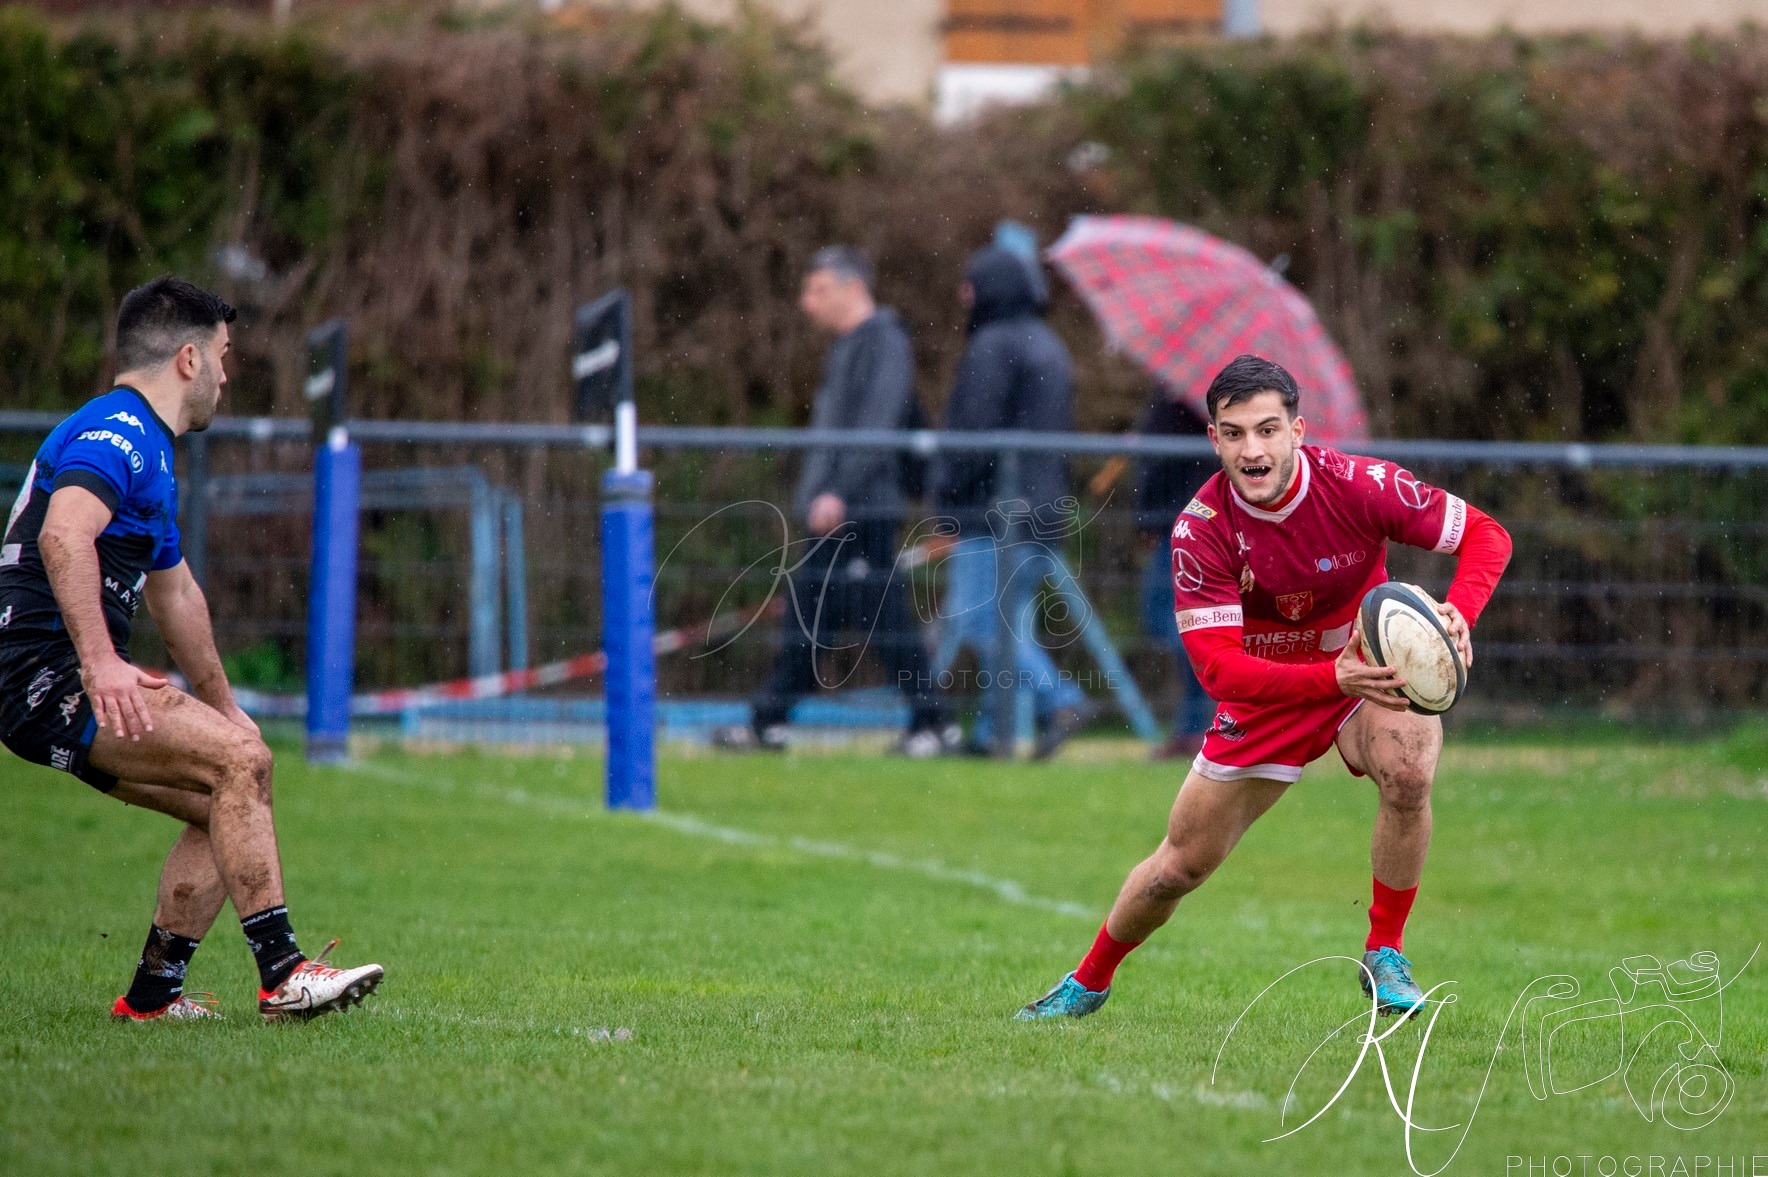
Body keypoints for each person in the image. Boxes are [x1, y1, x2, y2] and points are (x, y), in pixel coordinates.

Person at [1015, 354, 1511, 1021]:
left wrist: (1459, 613)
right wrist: (1324, 675)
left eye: (1268, 429)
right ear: (1214, 439)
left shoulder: (1359, 483)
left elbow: (1486, 534)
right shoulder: (1202, 529)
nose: (1254, 448)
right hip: (1267, 694)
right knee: (1178, 868)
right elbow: (1218, 670)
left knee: (1411, 770)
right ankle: (1088, 980)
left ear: (1298, 431)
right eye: (1236, 432)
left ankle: (1385, 951)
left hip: (1368, 672)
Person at [0, 276, 383, 1022]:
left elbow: (176, 595)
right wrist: (101, 661)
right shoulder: (120, 432)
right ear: (186, 359)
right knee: (242, 766)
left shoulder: (149, 449)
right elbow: (61, 532)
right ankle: (284, 975)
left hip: (41, 680)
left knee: (230, 780)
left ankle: (151, 998)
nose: (227, 375)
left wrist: (226, 708)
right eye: (223, 355)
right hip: (43, 674)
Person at [716, 247, 954, 757]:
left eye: (817, 289)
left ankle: (933, 722)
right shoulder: (851, 347)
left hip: (859, 509)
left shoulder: (885, 342)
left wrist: (837, 491)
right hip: (838, 508)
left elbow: (878, 424)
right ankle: (771, 720)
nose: (807, 303)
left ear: (854, 287)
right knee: (812, 612)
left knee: (880, 618)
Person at [931, 244, 1092, 759]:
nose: (963, 295)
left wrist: (947, 500)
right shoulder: (1049, 345)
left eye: (970, 285)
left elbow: (973, 438)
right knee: (1002, 620)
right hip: (1043, 511)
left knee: (980, 620)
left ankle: (1060, 699)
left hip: (997, 512)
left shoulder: (993, 346)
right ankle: (989, 735)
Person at [1131, 393, 1215, 760]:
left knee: (1175, 622)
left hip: (1178, 521)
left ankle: (1197, 726)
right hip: (1189, 518)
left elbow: (1160, 465)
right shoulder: (1198, 402)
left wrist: (1148, 515)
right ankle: (1196, 725)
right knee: (1174, 622)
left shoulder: (1179, 400)